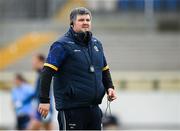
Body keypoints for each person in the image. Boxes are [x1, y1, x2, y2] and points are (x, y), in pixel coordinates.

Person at [38, 7, 117, 130]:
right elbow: (47, 72)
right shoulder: (61, 45)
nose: (85, 22)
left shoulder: (96, 44)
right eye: (81, 20)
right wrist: (44, 100)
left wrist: (110, 87)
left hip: (94, 109)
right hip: (71, 110)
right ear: (72, 23)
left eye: (88, 19)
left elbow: (104, 69)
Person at [27, 54, 54, 130]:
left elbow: (42, 93)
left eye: (34, 61)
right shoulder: (40, 74)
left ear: (40, 61)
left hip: (43, 107)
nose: (32, 63)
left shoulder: (44, 74)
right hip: (43, 106)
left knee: (32, 128)